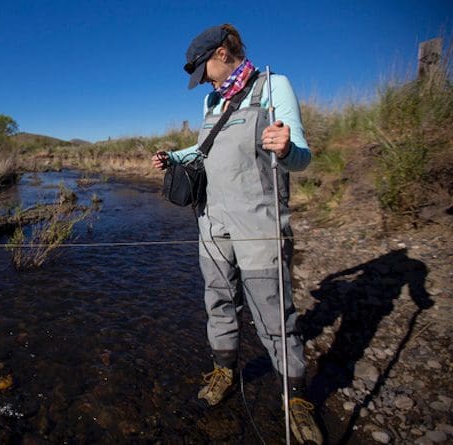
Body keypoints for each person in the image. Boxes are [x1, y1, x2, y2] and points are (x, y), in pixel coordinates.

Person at [151, 24, 322, 444]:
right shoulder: (213, 100)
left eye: (204, 69)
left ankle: (296, 398)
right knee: (219, 300)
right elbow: (203, 150)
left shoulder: (272, 86)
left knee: (273, 314)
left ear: (223, 53)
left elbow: (301, 157)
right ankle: (224, 371)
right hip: (211, 221)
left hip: (260, 225)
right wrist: (173, 156)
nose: (204, 81)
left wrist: (285, 148)